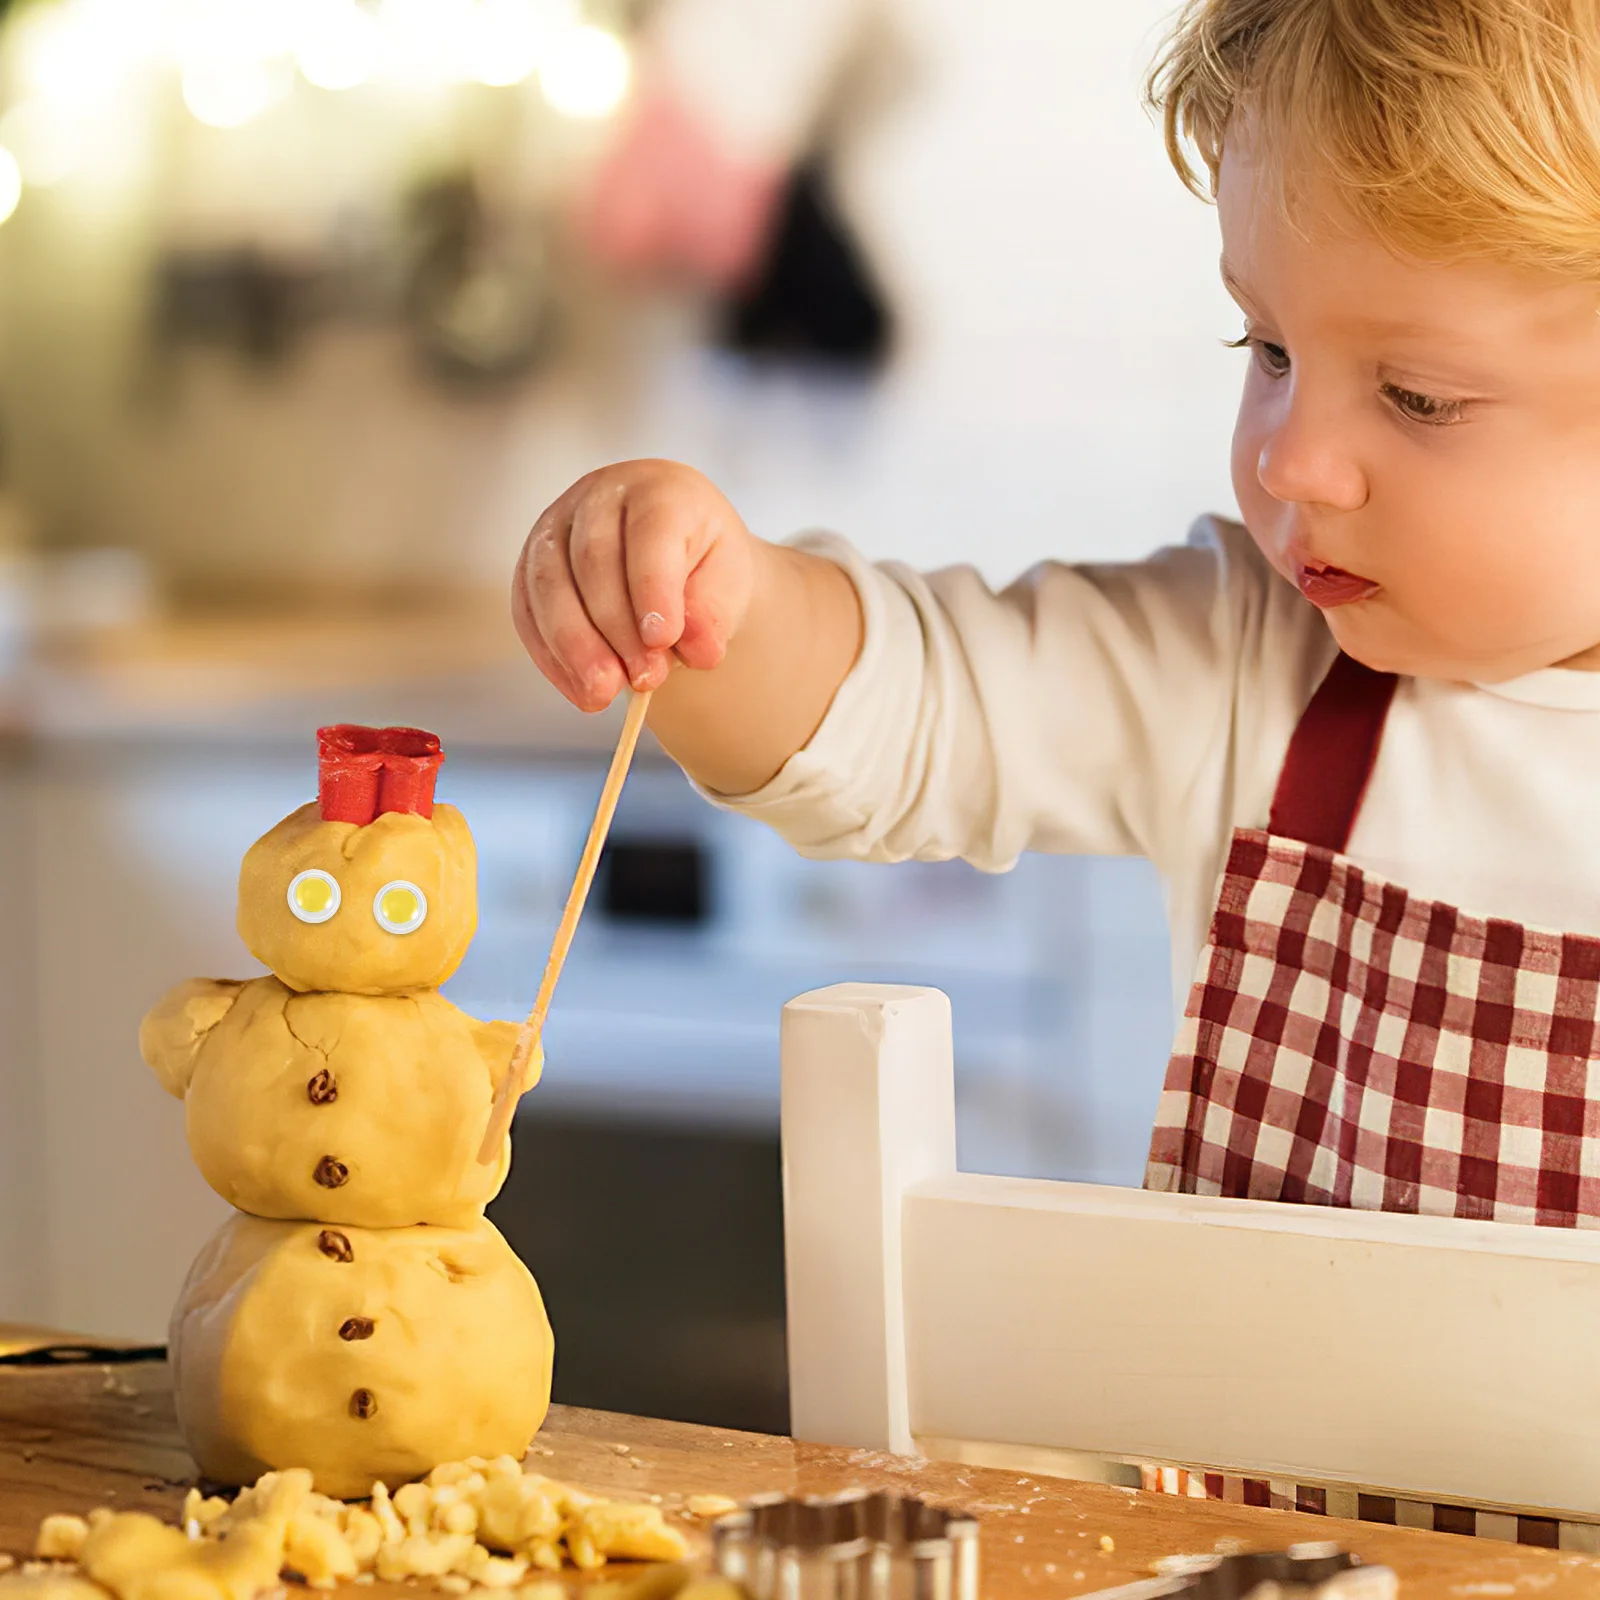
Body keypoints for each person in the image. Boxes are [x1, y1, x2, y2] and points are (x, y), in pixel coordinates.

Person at [516, 0, 1600, 1229]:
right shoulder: (1243, 664)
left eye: (1416, 396)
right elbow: (916, 711)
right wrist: (725, 602)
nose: (1290, 462)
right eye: (1270, 349)